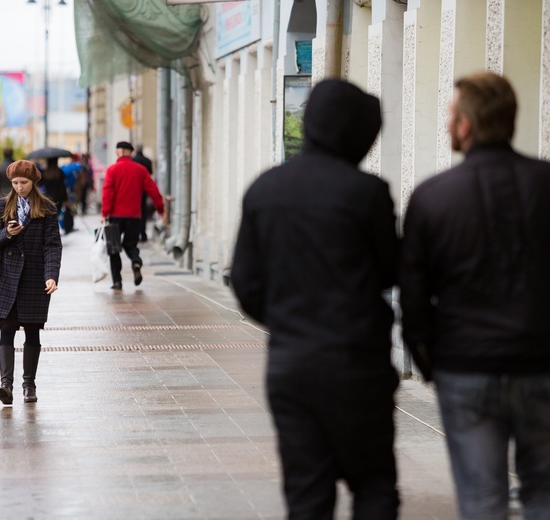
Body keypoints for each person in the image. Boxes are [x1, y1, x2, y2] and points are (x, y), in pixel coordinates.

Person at [231, 79, 400, 520]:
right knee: (375, 483)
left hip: (292, 366)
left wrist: (290, 321)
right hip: (358, 364)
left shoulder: (265, 189)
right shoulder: (367, 193)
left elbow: (246, 284)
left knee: (307, 493)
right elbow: (389, 272)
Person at [399, 71, 550, 520]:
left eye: (450, 115)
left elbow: (413, 297)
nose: (447, 124)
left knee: (482, 499)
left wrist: (431, 362)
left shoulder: (432, 197)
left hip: (466, 367)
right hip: (542, 364)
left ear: (465, 125)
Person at [0, 160, 62, 405]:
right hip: (7, 278)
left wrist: (51, 275)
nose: (19, 187)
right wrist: (7, 234)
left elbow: (52, 245)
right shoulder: (2, 205)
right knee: (6, 331)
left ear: (33, 182)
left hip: (34, 278)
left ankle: (29, 385)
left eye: (24, 183)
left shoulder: (47, 208)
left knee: (32, 332)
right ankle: (5, 385)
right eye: (15, 183)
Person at [101, 141, 165, 291]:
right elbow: (153, 190)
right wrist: (161, 209)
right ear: (131, 152)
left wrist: (105, 213)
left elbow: (108, 193)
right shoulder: (141, 170)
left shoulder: (112, 170)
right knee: (131, 244)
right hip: (135, 216)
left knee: (114, 248)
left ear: (118, 152)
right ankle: (136, 261)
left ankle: (117, 281)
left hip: (115, 216)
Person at [37, 157, 72, 234]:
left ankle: (49, 233)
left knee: (48, 217)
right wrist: (65, 199)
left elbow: (40, 184)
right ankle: (55, 232)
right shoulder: (59, 172)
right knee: (55, 217)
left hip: (47, 198)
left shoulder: (45, 173)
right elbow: (63, 187)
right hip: (58, 198)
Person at [132, 145, 153, 242]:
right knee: (143, 212)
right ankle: (143, 234)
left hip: (133, 190)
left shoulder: (132, 161)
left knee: (134, 213)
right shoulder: (147, 161)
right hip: (144, 189)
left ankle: (135, 234)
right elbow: (150, 175)